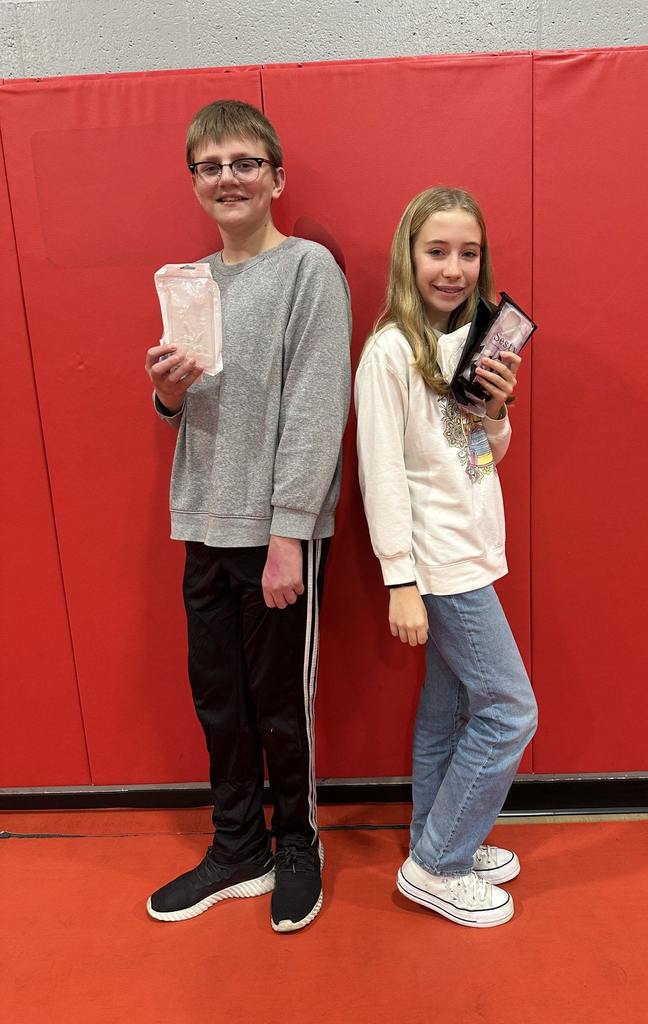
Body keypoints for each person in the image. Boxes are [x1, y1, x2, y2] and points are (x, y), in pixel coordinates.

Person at [144, 99, 351, 933]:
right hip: (202, 520)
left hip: (275, 537)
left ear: (276, 177)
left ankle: (297, 845)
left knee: (278, 704)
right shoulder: (190, 281)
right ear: (194, 183)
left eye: (244, 162)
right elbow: (189, 407)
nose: (227, 177)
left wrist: (288, 533)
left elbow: (313, 405)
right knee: (218, 700)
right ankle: (239, 849)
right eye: (210, 166)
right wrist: (165, 397)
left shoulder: (308, 270)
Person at [355, 186, 538, 928]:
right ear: (410, 255)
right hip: (437, 562)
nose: (454, 268)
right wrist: (399, 576)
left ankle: (434, 838)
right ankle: (439, 863)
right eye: (437, 251)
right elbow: (380, 472)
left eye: (468, 253)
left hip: (472, 550)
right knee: (509, 710)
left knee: (452, 704)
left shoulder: (472, 342)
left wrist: (496, 412)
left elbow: (482, 454)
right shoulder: (390, 352)